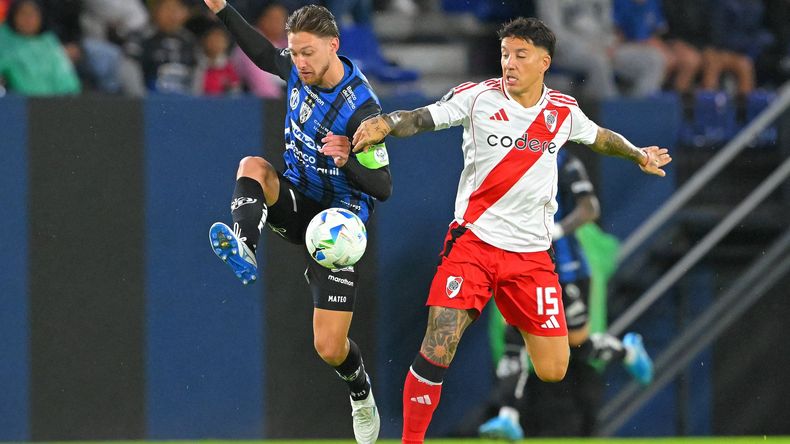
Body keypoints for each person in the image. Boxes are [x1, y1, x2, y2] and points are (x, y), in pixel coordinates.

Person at [352, 17, 671, 442]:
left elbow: (600, 138)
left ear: (545, 62)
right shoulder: (476, 98)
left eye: (520, 55)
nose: (509, 63)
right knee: (438, 345)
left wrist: (637, 154)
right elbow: (421, 118)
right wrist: (389, 122)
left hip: (532, 258)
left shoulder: (562, 111)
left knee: (553, 368)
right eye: (505, 54)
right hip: (474, 246)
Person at [202, 1, 392, 442]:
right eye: (295, 52)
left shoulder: (363, 109)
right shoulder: (295, 65)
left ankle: (360, 391)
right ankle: (244, 243)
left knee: (329, 347)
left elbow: (383, 186)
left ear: (333, 45)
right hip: (297, 202)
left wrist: (348, 159)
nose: (299, 62)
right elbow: (265, 55)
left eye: (307, 52)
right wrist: (223, 9)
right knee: (253, 166)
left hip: (339, 227)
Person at [477, 150, 654, 440]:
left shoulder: (563, 160)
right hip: (526, 267)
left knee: (575, 348)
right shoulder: (504, 156)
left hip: (567, 271)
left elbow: (590, 209)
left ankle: (626, 351)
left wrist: (555, 231)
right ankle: (508, 417)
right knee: (515, 339)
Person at [0, 0, 81, 96]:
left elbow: (65, 76)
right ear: (13, 15)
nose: (28, 19)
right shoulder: (3, 39)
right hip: (17, 103)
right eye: (23, 13)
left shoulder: (48, 41)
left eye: (33, 14)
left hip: (53, 103)